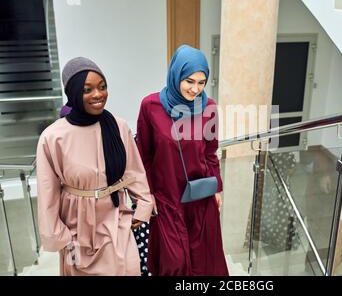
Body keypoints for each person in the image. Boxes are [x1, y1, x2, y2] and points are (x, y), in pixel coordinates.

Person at [36, 57, 155, 276]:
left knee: (127, 268)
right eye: (87, 89)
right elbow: (47, 193)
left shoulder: (118, 127)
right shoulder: (53, 137)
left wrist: (144, 206)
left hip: (115, 217)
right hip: (75, 228)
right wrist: (60, 237)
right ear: (72, 93)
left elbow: (134, 171)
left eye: (102, 87)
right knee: (78, 270)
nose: (98, 95)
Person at [137, 45, 228, 276]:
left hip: (200, 195)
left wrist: (217, 187)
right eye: (189, 81)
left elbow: (210, 152)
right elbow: (143, 155)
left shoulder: (209, 107)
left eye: (201, 82)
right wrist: (147, 194)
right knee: (174, 262)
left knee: (203, 261)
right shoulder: (151, 106)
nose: (195, 89)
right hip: (167, 198)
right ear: (176, 74)